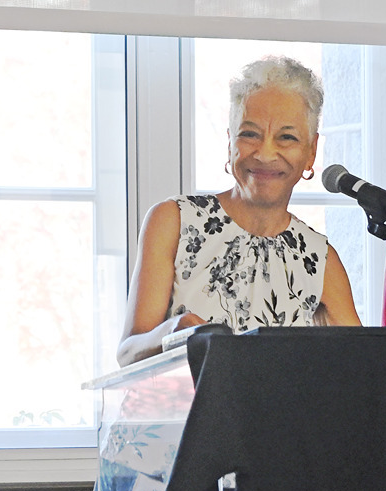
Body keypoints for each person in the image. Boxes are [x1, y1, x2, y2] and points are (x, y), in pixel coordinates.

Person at [115, 55, 361, 367]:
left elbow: (360, 365)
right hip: (182, 415)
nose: (265, 153)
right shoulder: (174, 220)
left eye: (286, 137)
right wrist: (175, 332)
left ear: (311, 152)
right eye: (249, 134)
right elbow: (127, 353)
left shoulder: (320, 258)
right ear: (230, 143)